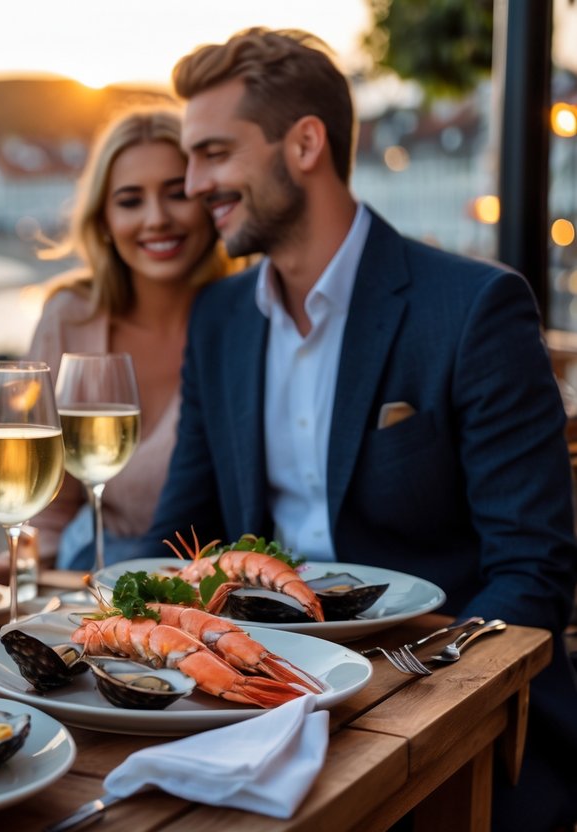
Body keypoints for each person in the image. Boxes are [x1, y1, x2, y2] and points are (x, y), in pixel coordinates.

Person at [134, 27, 577, 830]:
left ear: (304, 144)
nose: (192, 183)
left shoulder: (472, 308)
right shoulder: (222, 318)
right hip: (252, 696)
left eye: (212, 153)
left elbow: (533, 572)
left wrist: (399, 689)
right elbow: (180, 535)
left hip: (445, 708)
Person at [22, 104, 241, 572]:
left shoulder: (250, 319)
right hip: (91, 578)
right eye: (129, 200)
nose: (156, 218)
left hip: (223, 586)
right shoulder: (70, 317)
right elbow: (47, 504)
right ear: (103, 219)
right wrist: (22, 577)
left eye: (177, 193)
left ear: (209, 199)